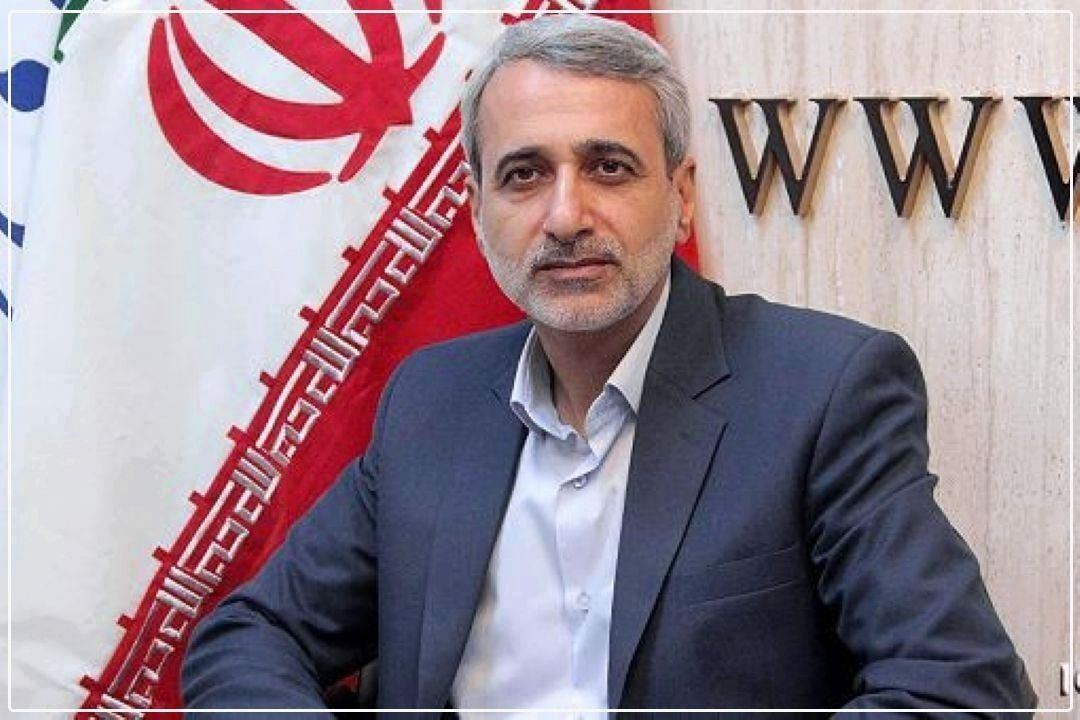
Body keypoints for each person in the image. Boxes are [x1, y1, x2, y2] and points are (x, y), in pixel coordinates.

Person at [182, 13, 1037, 716]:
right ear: (477, 211)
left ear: (682, 194)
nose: (566, 216)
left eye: (608, 167)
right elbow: (249, 636)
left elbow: (960, 688)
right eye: (524, 174)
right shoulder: (431, 402)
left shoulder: (822, 391)